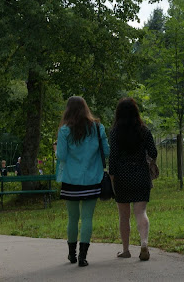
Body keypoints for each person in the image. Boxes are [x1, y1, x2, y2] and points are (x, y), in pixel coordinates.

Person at [56, 96, 109, 267]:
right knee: (87, 218)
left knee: (72, 217)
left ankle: (71, 254)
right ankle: (83, 257)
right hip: (92, 179)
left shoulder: (64, 130)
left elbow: (61, 156)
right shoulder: (97, 127)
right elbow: (106, 152)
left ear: (68, 110)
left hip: (71, 179)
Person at [108, 97, 157, 261]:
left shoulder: (115, 132)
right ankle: (144, 243)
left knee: (124, 215)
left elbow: (113, 156)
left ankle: (126, 249)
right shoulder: (144, 130)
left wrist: (112, 176)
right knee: (141, 211)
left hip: (122, 175)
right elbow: (153, 152)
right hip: (140, 174)